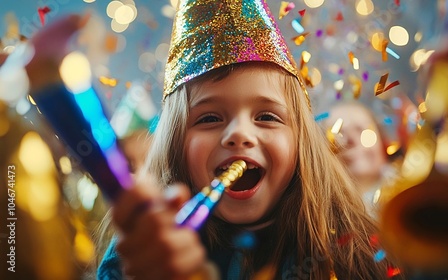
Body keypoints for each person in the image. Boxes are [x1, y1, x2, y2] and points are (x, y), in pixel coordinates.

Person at [97, 1, 399, 279]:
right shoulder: (138, 257)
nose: (239, 134)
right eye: (209, 118)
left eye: (266, 117)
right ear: (175, 143)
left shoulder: (361, 249)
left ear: (301, 141)